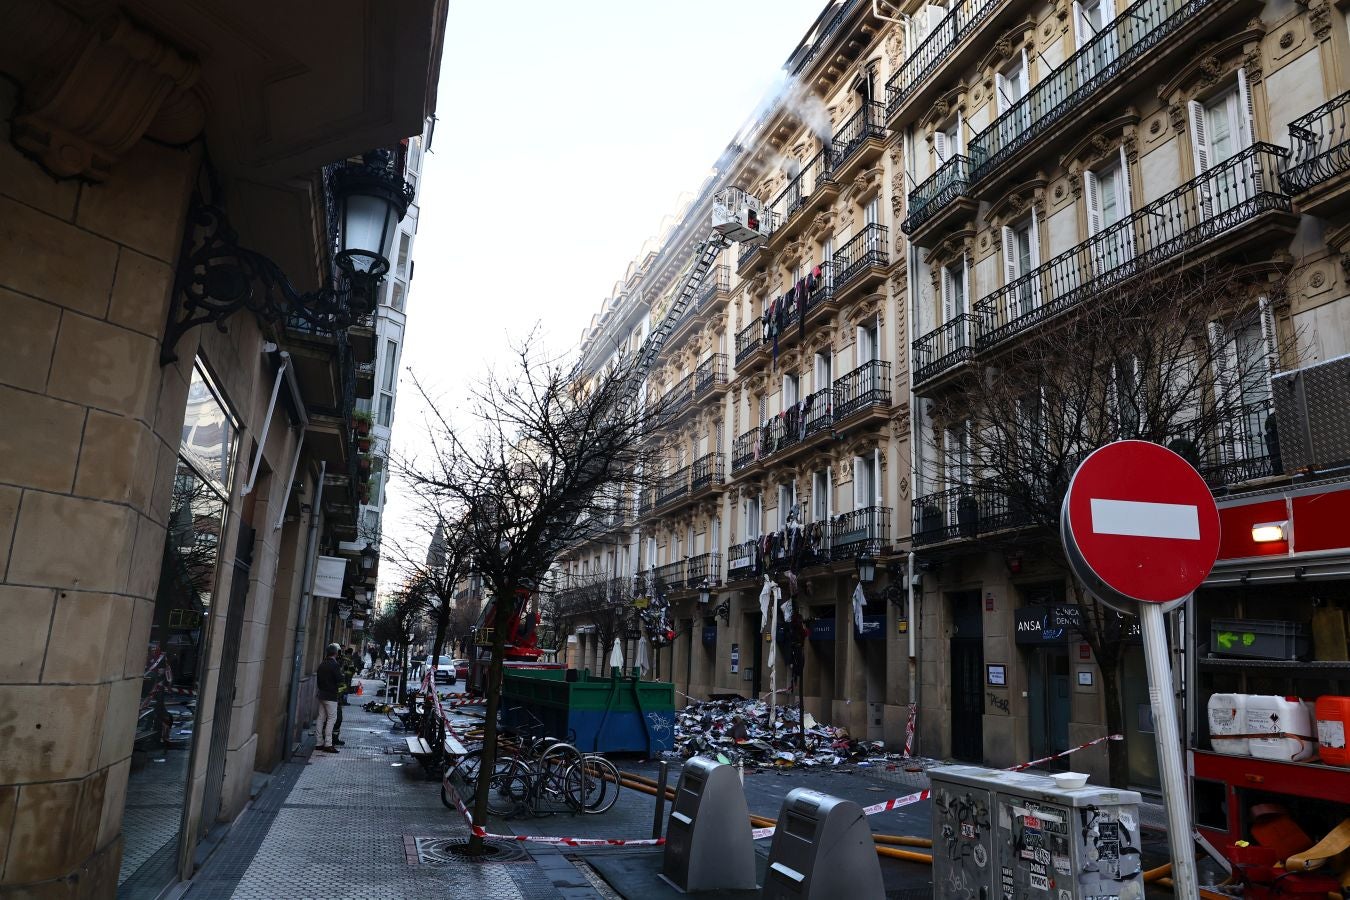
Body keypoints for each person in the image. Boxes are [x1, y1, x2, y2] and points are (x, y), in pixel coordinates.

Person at [315, 644, 342, 753]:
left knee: (321, 718)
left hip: (321, 694)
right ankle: (328, 744)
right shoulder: (334, 665)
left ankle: (318, 742)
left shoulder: (322, 664)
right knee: (331, 719)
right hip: (331, 696)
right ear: (335, 653)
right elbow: (339, 679)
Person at [333, 647, 358, 746]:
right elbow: (352, 669)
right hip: (335, 696)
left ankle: (331, 739)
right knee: (337, 719)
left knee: (333, 719)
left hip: (334, 695)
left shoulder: (338, 661)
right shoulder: (345, 660)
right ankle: (332, 739)